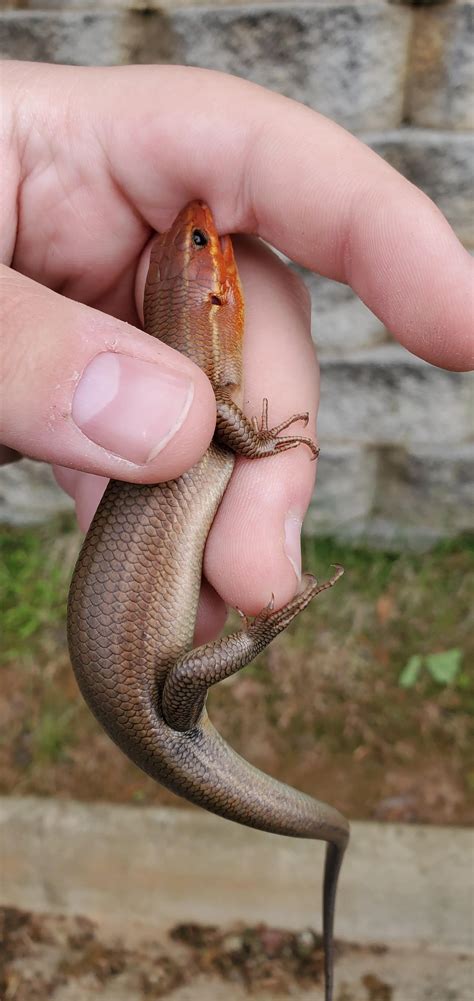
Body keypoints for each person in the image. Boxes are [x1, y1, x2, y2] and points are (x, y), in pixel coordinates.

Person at [1, 61, 472, 642]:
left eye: (196, 240)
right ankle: (250, 639)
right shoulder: (208, 387)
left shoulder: (199, 375)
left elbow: (223, 417)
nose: (203, 227)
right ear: (217, 299)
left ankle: (243, 644)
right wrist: (265, 444)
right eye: (199, 242)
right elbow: (221, 418)